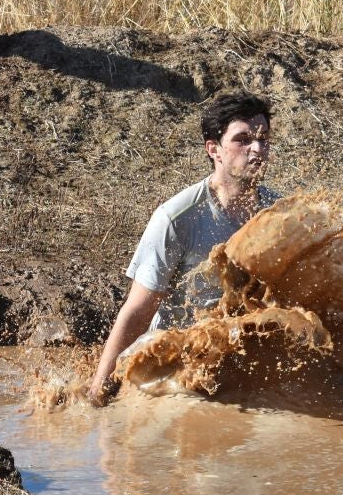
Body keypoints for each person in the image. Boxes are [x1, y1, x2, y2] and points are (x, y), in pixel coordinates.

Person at [88, 91, 278, 404]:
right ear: (214, 149)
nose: (257, 149)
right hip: (175, 365)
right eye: (243, 139)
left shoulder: (277, 212)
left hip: (241, 358)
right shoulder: (177, 218)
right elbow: (137, 311)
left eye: (263, 138)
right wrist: (98, 390)